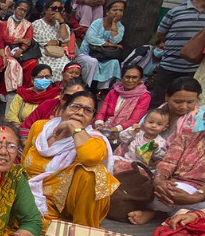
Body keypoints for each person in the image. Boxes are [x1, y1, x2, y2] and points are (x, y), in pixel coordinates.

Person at [128, 95, 205, 225]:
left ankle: (160, 212)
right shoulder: (186, 138)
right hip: (173, 190)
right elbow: (168, 162)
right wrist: (159, 182)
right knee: (140, 183)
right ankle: (164, 212)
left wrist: (196, 197)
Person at [22, 90, 117, 227]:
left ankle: (82, 228)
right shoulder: (40, 128)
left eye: (87, 110)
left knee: (94, 173)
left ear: (92, 119)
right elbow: (24, 159)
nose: (80, 112)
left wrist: (74, 128)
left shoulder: (95, 140)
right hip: (28, 190)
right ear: (62, 109)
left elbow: (90, 157)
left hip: (62, 205)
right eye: (75, 106)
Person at [20, 73, 88, 138]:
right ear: (61, 95)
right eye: (68, 97)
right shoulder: (48, 105)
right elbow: (25, 128)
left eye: (76, 100)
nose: (70, 102)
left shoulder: (84, 116)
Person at [79, 0, 126, 89]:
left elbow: (115, 40)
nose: (117, 13)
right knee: (93, 62)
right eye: (115, 10)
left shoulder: (120, 27)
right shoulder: (97, 23)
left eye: (121, 10)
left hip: (105, 56)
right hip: (88, 53)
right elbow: (91, 38)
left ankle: (102, 89)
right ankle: (86, 87)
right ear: (108, 11)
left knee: (114, 63)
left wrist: (114, 24)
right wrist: (109, 44)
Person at [94, 63, 151, 134]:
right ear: (122, 77)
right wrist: (100, 125)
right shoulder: (113, 92)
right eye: (127, 77)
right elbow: (102, 112)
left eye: (134, 77)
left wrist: (113, 129)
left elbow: (134, 120)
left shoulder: (144, 96)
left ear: (140, 80)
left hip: (125, 133)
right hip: (105, 127)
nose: (130, 80)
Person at [112, 106, 169, 174]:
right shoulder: (138, 133)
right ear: (144, 122)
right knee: (111, 158)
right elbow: (123, 137)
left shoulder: (161, 142)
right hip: (126, 159)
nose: (154, 126)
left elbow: (160, 157)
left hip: (141, 166)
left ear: (165, 127)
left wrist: (156, 149)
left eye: (159, 124)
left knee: (140, 172)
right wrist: (131, 130)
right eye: (150, 122)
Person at [0, 0, 37, 94]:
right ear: (14, 9)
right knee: (11, 63)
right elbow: (5, 38)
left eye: (25, 11)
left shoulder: (28, 25)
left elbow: (28, 40)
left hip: (20, 51)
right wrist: (20, 39)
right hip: (5, 49)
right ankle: (4, 91)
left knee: (33, 63)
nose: (22, 12)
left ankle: (25, 89)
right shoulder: (5, 23)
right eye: (20, 9)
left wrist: (21, 49)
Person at [32, 0, 72, 78]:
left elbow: (65, 40)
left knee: (66, 68)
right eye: (54, 8)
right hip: (44, 54)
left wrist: (61, 22)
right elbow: (46, 42)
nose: (56, 11)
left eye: (59, 9)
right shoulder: (36, 24)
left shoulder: (63, 25)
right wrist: (60, 43)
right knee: (51, 70)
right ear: (46, 10)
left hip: (59, 54)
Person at [159, 76, 203, 145]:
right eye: (178, 102)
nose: (183, 107)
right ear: (167, 97)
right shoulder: (156, 113)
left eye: (190, 102)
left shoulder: (201, 119)